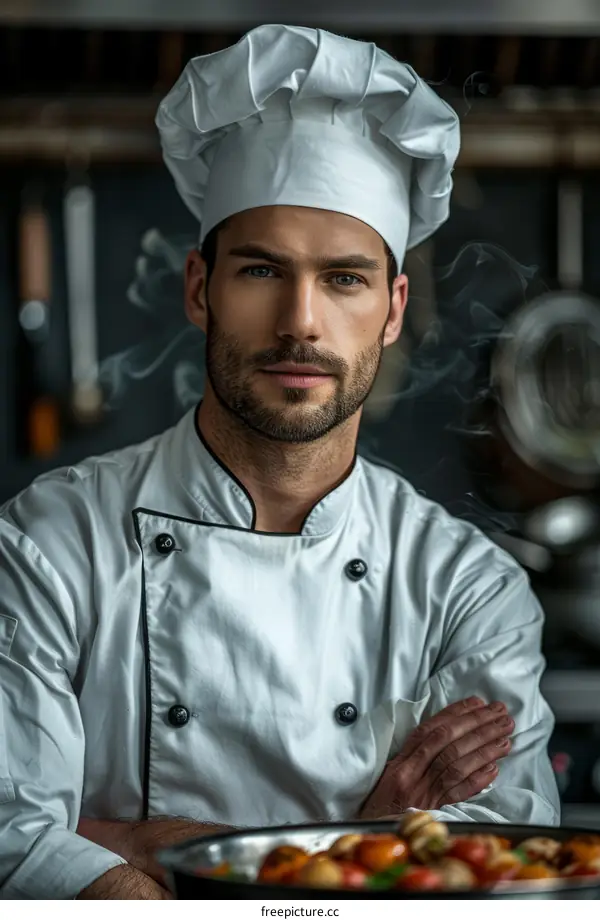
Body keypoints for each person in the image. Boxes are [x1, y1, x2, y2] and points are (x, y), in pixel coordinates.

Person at [0, 24, 559, 901]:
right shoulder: (51, 543)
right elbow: (10, 839)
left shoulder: (468, 589)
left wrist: (120, 839)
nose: (301, 321)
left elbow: (483, 883)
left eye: (344, 278)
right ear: (200, 289)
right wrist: (369, 831)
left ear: (392, 309)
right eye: (263, 271)